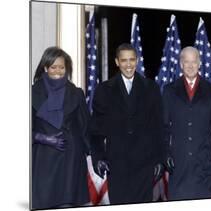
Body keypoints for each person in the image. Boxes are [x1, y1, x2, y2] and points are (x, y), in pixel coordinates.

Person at [87, 43, 165, 204]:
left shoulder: (151, 88)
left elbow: (158, 127)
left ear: (137, 61)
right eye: (124, 60)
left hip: (145, 164)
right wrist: (98, 157)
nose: (128, 64)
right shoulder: (104, 90)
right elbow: (95, 130)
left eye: (131, 60)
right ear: (117, 62)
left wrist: (159, 159)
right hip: (117, 164)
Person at [162, 46, 211, 201]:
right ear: (181, 64)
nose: (190, 66)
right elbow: (164, 126)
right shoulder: (169, 90)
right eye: (186, 62)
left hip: (204, 162)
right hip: (178, 163)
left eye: (194, 62)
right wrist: (165, 154)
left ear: (199, 63)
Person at [32, 46, 90, 209]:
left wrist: (96, 155)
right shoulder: (30, 93)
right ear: (45, 67)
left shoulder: (77, 93)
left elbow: (86, 128)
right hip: (43, 161)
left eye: (62, 67)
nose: (58, 71)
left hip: (71, 162)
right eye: (53, 67)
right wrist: (42, 138)